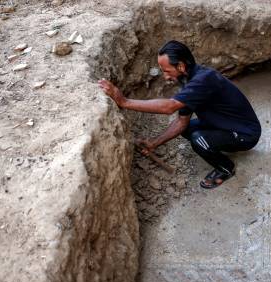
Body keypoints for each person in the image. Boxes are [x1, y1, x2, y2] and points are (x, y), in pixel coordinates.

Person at [98, 40, 261, 189]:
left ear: (181, 66)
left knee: (199, 140)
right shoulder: (188, 81)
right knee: (187, 128)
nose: (165, 76)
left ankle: (225, 168)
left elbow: (169, 107)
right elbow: (181, 122)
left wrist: (124, 101)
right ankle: (217, 144)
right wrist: (154, 143)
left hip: (245, 134)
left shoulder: (203, 81)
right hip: (222, 124)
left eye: (166, 71)